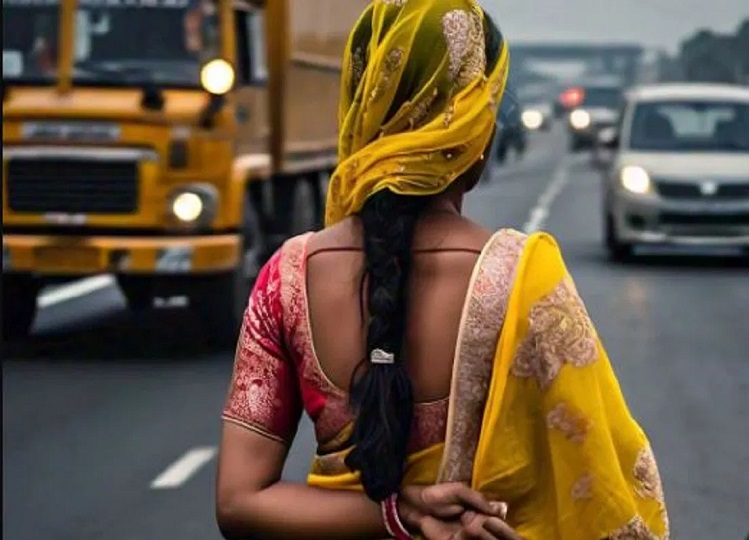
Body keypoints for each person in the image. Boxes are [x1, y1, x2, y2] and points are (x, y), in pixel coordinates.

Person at [215, 1, 669, 539]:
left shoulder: (285, 281)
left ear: (359, 108)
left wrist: (397, 514)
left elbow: (240, 503)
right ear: (476, 136)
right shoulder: (523, 278)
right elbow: (609, 495)